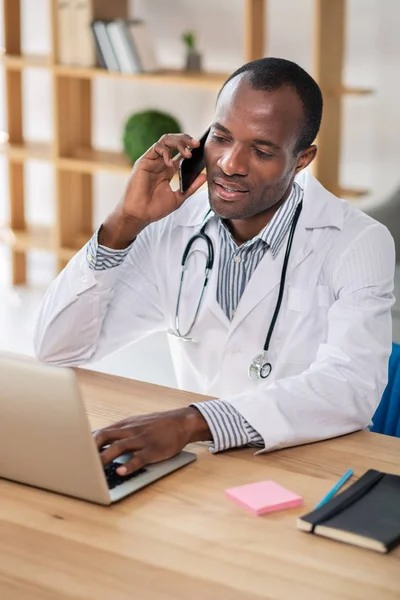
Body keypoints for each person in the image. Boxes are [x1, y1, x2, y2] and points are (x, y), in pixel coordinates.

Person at [34, 57, 395, 477]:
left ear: (302, 158)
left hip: (311, 464)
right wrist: (122, 225)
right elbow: (57, 349)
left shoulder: (357, 242)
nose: (229, 164)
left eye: (261, 150)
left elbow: (349, 388)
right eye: (221, 138)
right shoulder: (171, 228)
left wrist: (193, 421)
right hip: (205, 466)